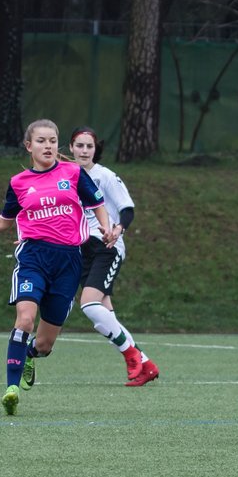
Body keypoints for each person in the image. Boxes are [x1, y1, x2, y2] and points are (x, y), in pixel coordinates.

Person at [0, 119, 120, 415]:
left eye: (53, 141)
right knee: (25, 319)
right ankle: (11, 389)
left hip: (69, 261)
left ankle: (30, 355)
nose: (48, 146)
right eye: (42, 141)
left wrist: (106, 228)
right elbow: (6, 220)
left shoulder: (72, 173)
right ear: (29, 146)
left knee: (44, 344)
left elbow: (97, 204)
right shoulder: (19, 183)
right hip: (33, 257)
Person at [68, 125, 159, 386]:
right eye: (79, 145)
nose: (84, 150)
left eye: (89, 146)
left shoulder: (105, 176)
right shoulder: (67, 176)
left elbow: (127, 209)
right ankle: (145, 365)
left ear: (96, 150)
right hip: (81, 249)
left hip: (106, 247)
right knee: (104, 316)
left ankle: (134, 357)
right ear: (71, 148)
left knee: (89, 304)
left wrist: (117, 229)